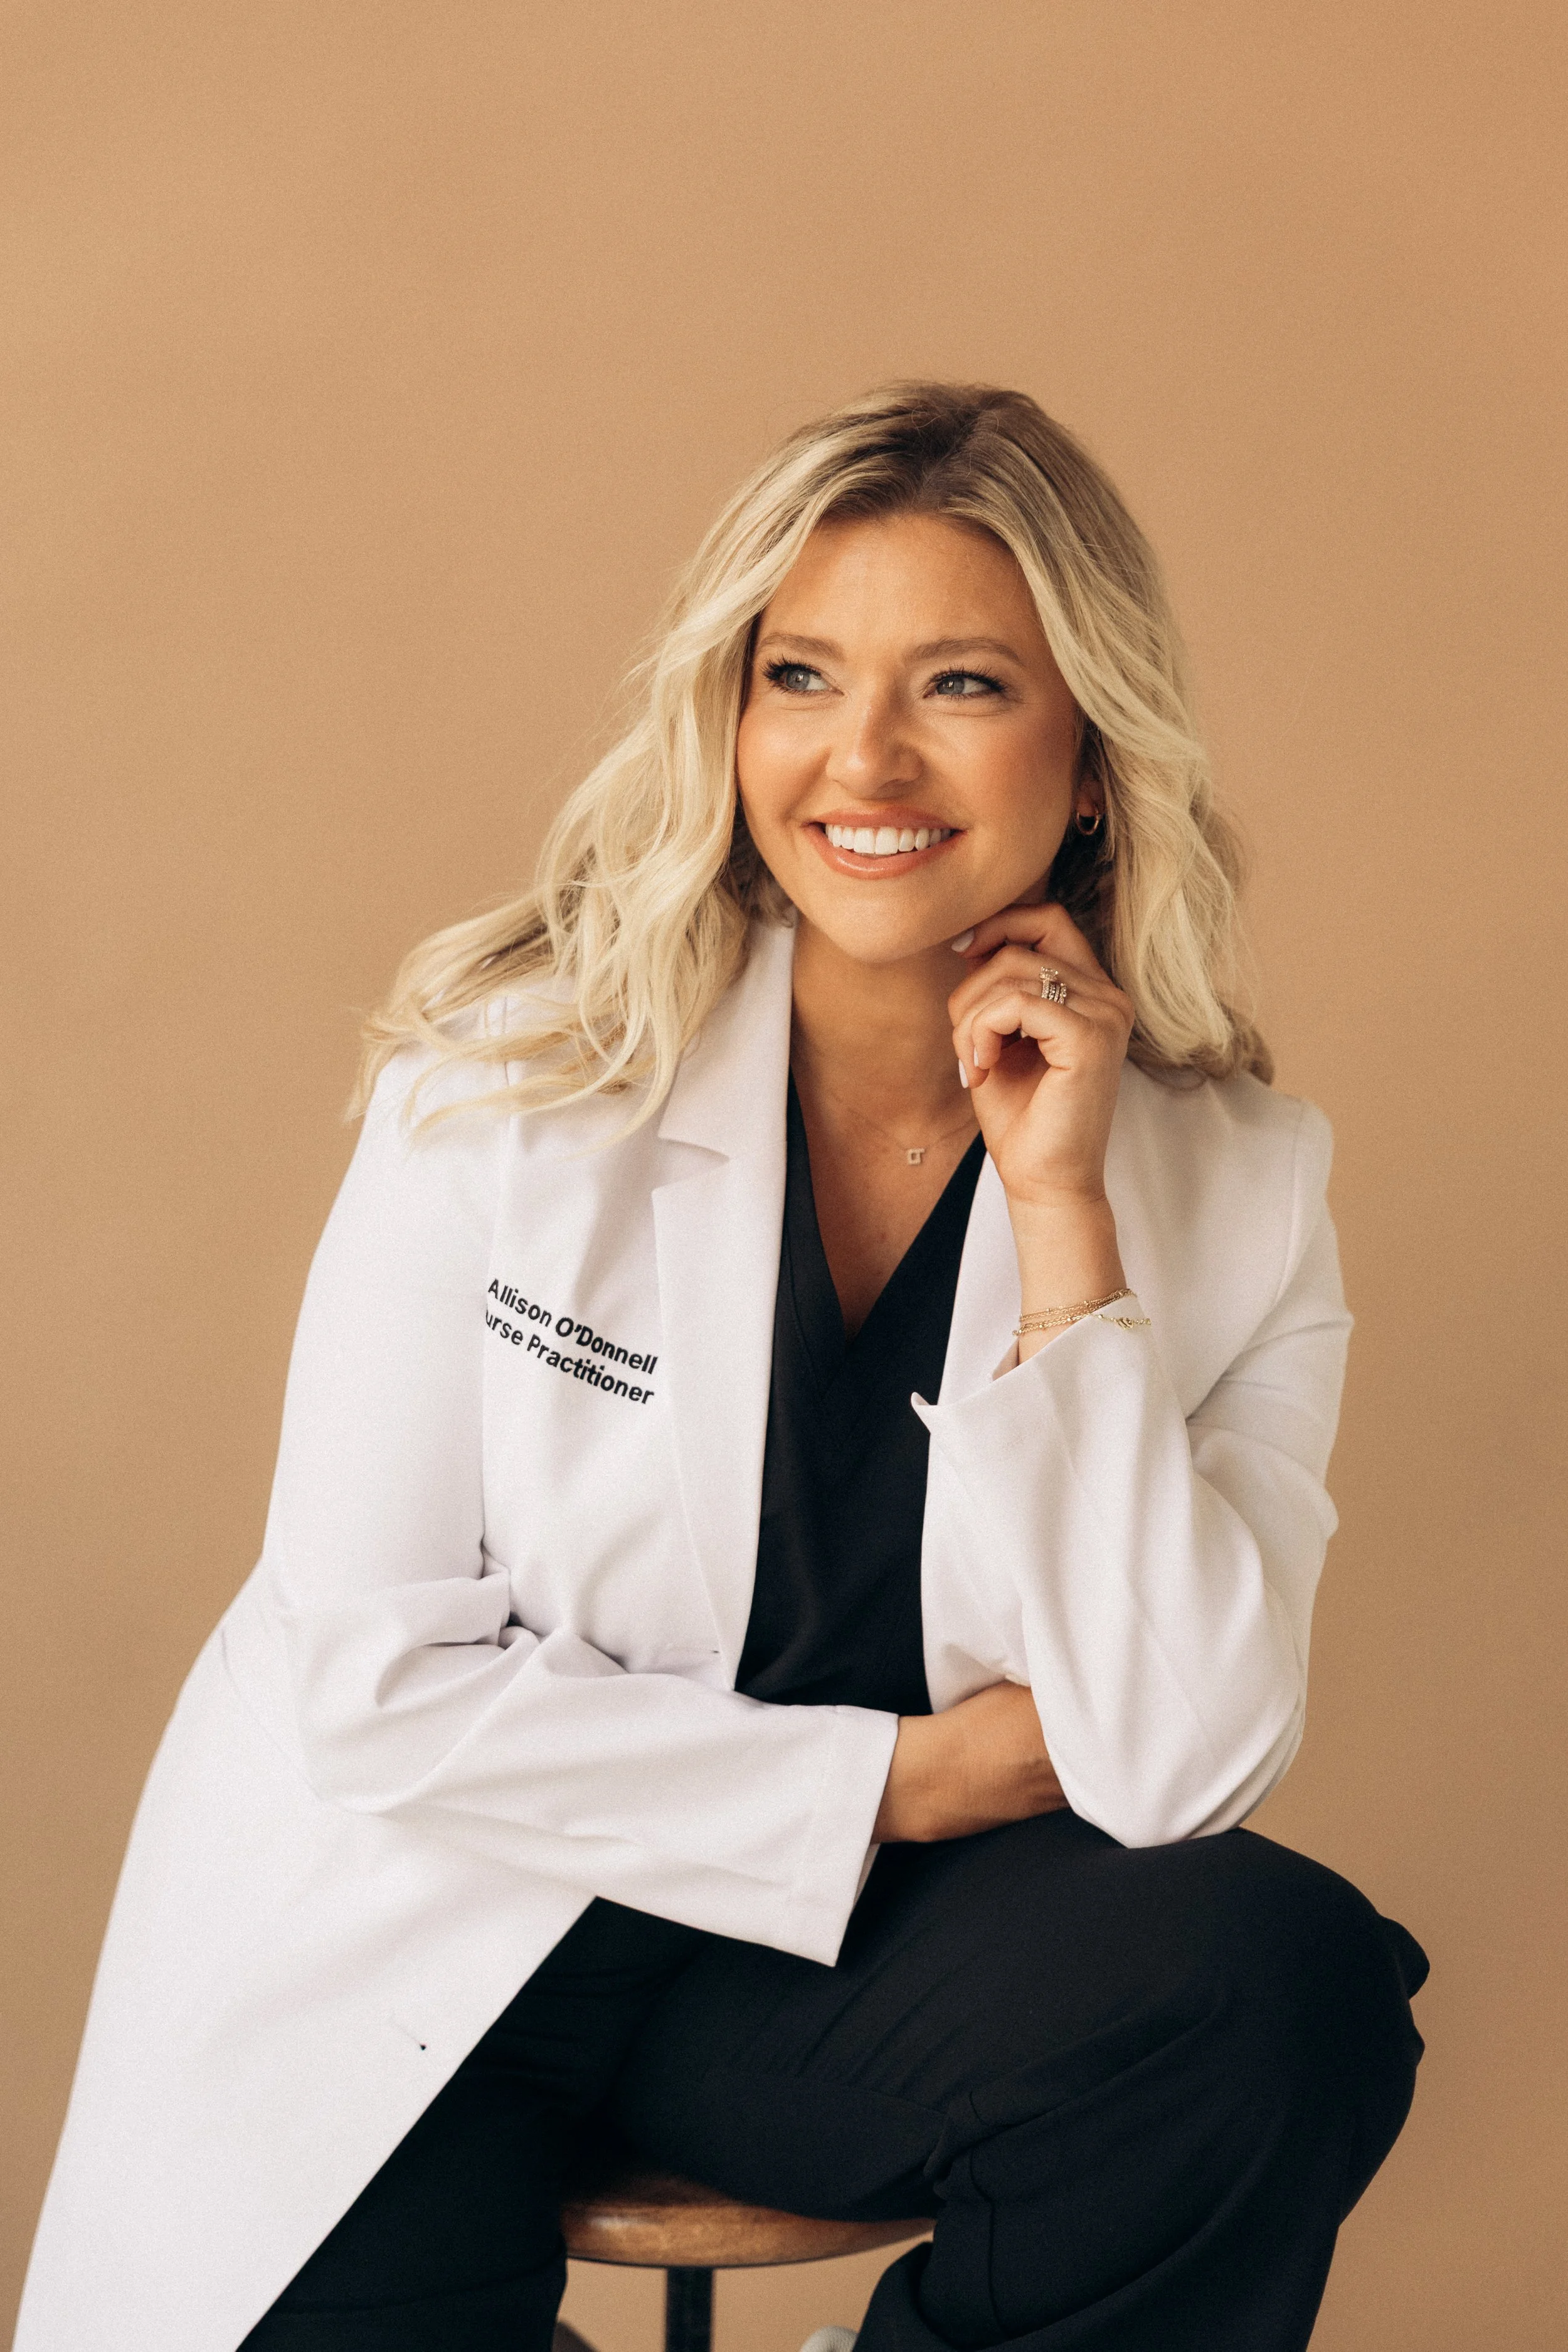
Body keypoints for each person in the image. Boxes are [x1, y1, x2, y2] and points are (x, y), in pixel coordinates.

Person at [16, 383, 1426, 2352]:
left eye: (959, 683)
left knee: (1270, 1989)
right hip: (438, 1908)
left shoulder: (1237, 1190)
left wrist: (1062, 1219)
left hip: (820, 1977)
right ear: (731, 718)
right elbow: (366, 1679)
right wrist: (899, 1781)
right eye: (800, 676)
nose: (865, 757)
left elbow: (1177, 1760)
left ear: (1092, 756)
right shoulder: (509, 1085)